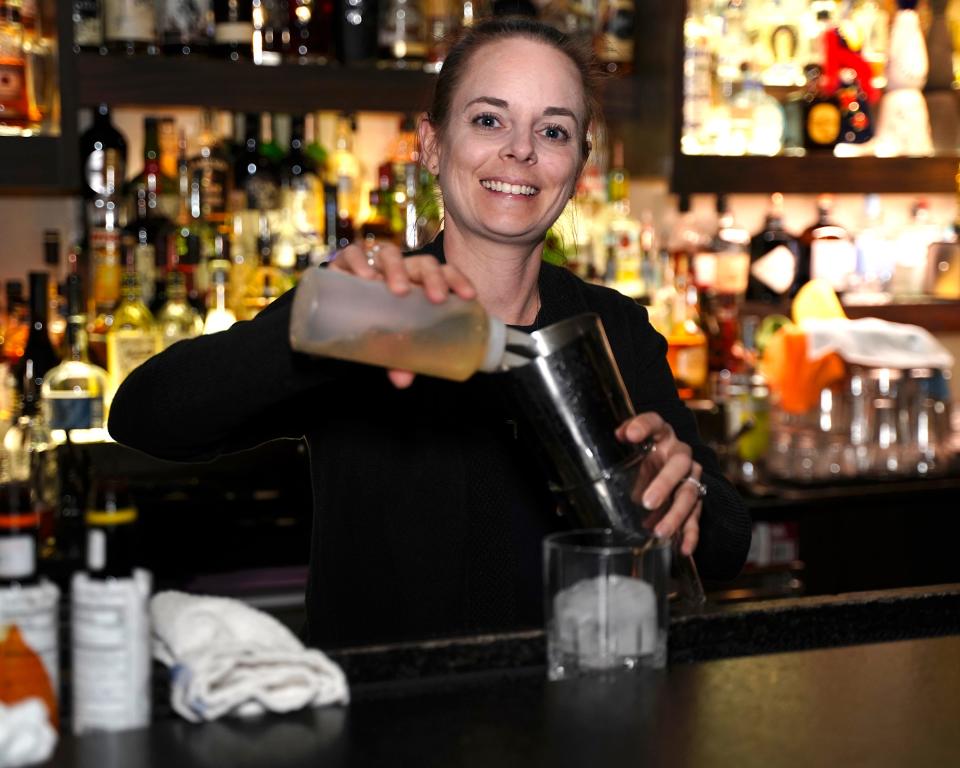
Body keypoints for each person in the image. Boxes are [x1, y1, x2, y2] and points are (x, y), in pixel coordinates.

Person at [109, 18, 751, 648]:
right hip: (387, 726)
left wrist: (683, 490)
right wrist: (310, 322)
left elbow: (726, 542)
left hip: (573, 719)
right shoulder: (369, 310)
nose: (520, 151)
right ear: (432, 144)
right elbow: (145, 417)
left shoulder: (612, 327)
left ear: (579, 164)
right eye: (489, 119)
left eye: (552, 130)